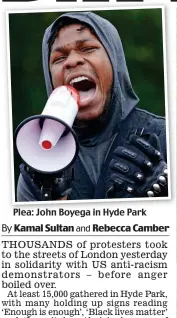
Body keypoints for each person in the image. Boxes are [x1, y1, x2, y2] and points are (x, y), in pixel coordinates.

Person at [17, 12, 168, 201]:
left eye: (87, 48)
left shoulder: (164, 137)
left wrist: (161, 195)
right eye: (58, 58)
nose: (72, 61)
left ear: (115, 61)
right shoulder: (38, 166)